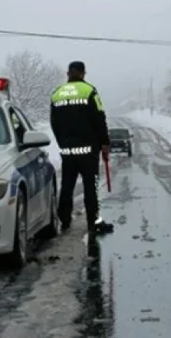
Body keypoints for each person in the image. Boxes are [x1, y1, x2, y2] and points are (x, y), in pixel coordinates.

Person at [50, 61, 115, 236]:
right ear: (83, 73)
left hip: (67, 151)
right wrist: (104, 143)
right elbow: (100, 119)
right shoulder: (89, 91)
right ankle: (94, 222)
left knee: (66, 187)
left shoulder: (57, 94)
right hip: (88, 151)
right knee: (91, 188)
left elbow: (54, 123)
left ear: (68, 73)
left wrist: (62, 143)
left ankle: (64, 220)